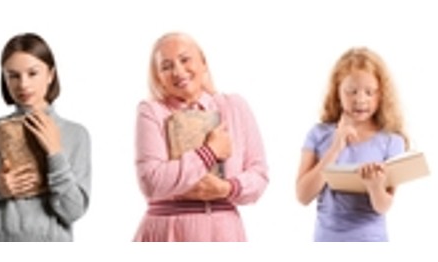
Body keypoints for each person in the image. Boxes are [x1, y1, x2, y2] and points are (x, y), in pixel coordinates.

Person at [0, 33, 91, 242]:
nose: (23, 84)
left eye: (33, 73)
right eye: (13, 75)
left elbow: (73, 211)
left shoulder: (76, 134)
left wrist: (55, 154)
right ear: (4, 78)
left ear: (50, 74)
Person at [132, 32, 267, 242]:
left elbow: (259, 175)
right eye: (166, 66)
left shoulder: (234, 106)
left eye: (185, 59)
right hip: (167, 232)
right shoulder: (151, 111)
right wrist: (209, 152)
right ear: (159, 77)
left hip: (224, 233)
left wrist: (228, 188)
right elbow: (151, 182)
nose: (178, 71)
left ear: (203, 62)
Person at [290, 47, 406, 242]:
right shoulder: (318, 134)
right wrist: (335, 148)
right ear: (338, 92)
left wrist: (375, 187)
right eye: (351, 92)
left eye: (369, 92)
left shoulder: (391, 141)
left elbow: (383, 206)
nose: (360, 99)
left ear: (381, 95)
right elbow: (303, 196)